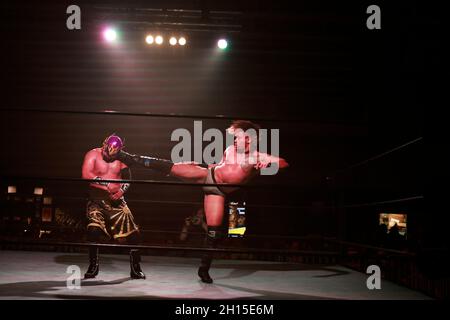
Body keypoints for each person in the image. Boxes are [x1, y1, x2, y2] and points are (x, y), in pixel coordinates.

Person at [118, 120, 289, 283]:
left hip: (218, 192)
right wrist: (197, 165)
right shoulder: (230, 149)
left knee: (214, 233)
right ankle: (129, 157)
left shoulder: (256, 157)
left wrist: (267, 166)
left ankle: (203, 269)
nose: (235, 141)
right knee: (173, 168)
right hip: (207, 176)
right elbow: (220, 165)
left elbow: (282, 163)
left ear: (248, 138)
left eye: (237, 137)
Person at [81, 134, 145, 279]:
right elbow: (86, 174)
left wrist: (121, 190)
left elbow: (128, 178)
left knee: (134, 234)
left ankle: (136, 268)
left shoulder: (123, 159)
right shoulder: (93, 154)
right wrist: (107, 185)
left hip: (117, 201)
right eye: (106, 152)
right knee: (93, 229)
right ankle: (93, 266)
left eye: (112, 154)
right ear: (103, 145)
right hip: (96, 199)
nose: (108, 156)